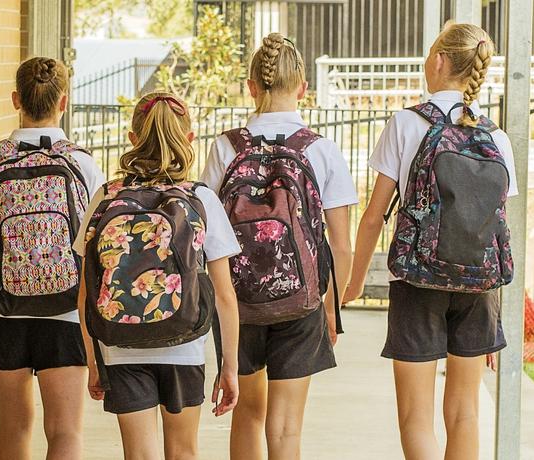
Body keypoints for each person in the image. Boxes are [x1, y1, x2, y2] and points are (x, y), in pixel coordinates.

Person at [343, 23, 518, 460]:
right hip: (479, 289)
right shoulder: (495, 137)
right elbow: (498, 224)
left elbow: (372, 217)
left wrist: (355, 281)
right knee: (465, 414)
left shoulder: (407, 123)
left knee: (415, 417)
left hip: (419, 283)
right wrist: (493, 311)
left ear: (439, 60)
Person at [202, 32, 358, 460]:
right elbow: (342, 247)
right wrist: (331, 306)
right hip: (301, 302)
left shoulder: (224, 147)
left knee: (247, 412)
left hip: (239, 300)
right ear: (303, 88)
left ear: (251, 87)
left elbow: (209, 233)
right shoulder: (321, 151)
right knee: (286, 427)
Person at [0, 57, 105, 460]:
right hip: (66, 314)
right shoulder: (83, 164)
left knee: (14, 425)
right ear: (64, 102)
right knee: (65, 431)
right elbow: (95, 253)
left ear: (16, 98)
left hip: (4, 313)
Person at [73, 91, 240, 460]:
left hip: (120, 346)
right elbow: (225, 295)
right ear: (189, 140)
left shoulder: (105, 196)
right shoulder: (200, 199)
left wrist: (93, 361)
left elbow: (85, 292)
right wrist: (230, 367)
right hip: (184, 343)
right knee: (183, 453)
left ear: (133, 139)